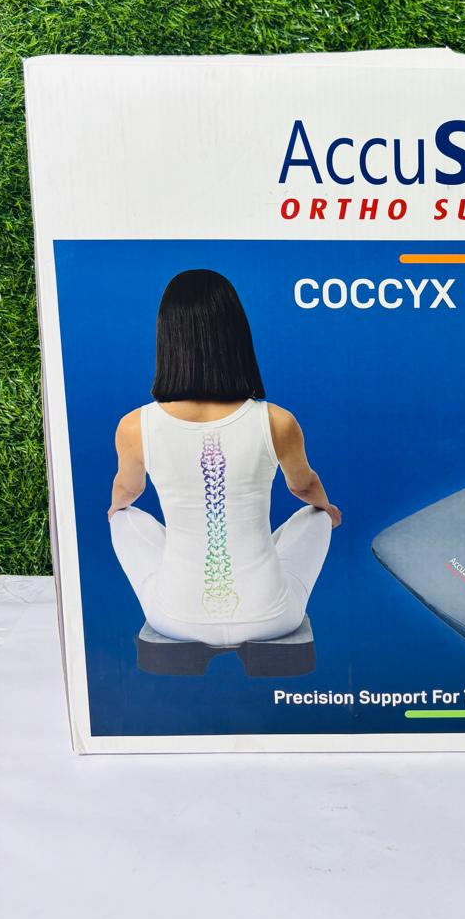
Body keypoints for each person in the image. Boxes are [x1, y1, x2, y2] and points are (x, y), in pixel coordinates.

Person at [108, 269, 341, 647]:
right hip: (273, 617)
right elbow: (304, 487)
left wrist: (115, 508)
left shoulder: (135, 426)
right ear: (236, 336)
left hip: (174, 618)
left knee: (124, 518)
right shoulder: (277, 421)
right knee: (315, 516)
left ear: (168, 338)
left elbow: (127, 491)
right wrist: (327, 510)